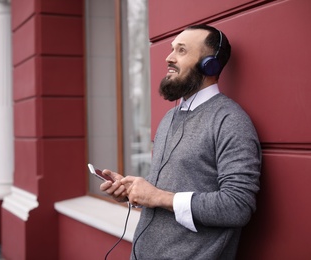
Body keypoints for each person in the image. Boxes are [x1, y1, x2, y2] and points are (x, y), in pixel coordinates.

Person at [100, 24, 261, 260]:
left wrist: (157, 196)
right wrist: (133, 192)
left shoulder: (230, 120)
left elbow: (238, 206)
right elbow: (168, 192)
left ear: (210, 65)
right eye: (172, 49)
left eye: (182, 50)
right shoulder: (170, 117)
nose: (169, 57)